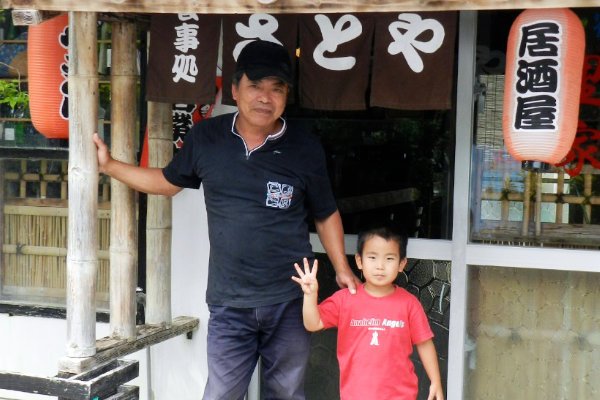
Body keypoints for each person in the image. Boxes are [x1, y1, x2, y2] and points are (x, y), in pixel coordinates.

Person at [94, 39, 360, 399]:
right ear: (235, 90)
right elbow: (167, 183)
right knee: (221, 394)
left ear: (286, 95)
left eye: (276, 88)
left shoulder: (304, 147)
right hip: (228, 301)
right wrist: (110, 166)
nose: (265, 97)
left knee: (286, 393)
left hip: (290, 297)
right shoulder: (207, 138)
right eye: (255, 86)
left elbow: (325, 212)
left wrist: (342, 267)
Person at [292, 226, 444, 400]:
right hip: (356, 395)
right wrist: (310, 295)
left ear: (402, 263)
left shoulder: (409, 304)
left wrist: (436, 380)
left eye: (389, 259)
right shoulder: (345, 299)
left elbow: (424, 343)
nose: (380, 266)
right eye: (372, 257)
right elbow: (312, 324)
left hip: (401, 395)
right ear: (359, 261)